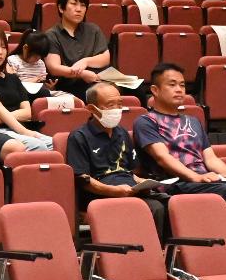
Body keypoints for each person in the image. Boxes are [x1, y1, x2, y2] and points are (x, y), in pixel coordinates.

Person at [135, 62, 226, 223]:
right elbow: (163, 158)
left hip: (203, 180)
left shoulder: (194, 121)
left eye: (182, 85)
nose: (179, 89)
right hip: (174, 183)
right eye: (172, 84)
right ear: (155, 90)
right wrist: (195, 177)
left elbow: (210, 158)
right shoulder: (146, 122)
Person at [66, 83, 165, 227]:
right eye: (110, 105)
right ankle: (151, 248)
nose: (117, 109)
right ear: (91, 109)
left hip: (128, 190)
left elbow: (130, 172)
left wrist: (142, 184)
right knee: (154, 208)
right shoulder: (79, 137)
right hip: (101, 195)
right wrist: (114, 191)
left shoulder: (122, 132)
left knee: (170, 202)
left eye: (119, 104)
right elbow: (83, 180)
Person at [0, 27, 53, 151]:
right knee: (38, 145)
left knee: (56, 144)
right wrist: (25, 132)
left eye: (3, 47)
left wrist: (2, 118)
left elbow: (27, 112)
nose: (0, 52)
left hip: (17, 128)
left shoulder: (13, 78)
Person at [40, 0, 112, 89]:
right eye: (74, 4)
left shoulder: (93, 29)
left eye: (83, 5)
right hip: (71, 83)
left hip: (99, 79)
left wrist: (85, 61)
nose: (79, 9)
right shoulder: (51, 35)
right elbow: (54, 68)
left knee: (137, 89)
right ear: (61, 8)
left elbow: (105, 58)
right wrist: (81, 74)